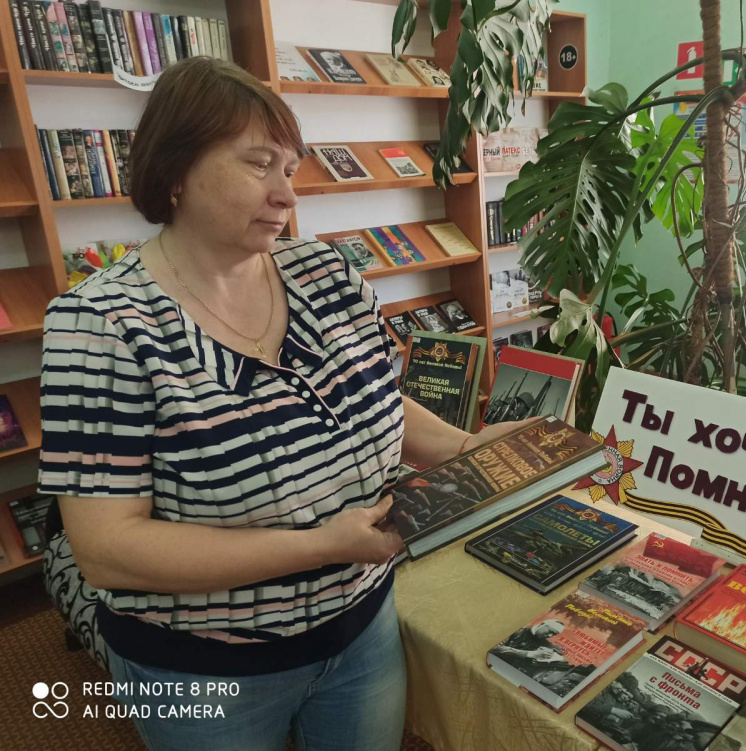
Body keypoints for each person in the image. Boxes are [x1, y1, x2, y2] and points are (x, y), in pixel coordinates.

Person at [38, 57, 525, 751]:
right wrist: (321, 545)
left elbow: (373, 396)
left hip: (360, 626)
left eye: (290, 169)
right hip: (202, 666)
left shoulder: (328, 273)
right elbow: (108, 551)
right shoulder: (101, 324)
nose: (286, 195)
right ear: (175, 170)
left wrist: (464, 447)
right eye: (258, 164)